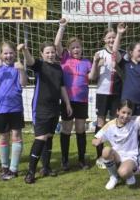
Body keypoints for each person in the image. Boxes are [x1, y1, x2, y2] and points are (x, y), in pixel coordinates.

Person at [19, 42, 73, 184]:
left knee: (49, 137)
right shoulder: (40, 65)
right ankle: (31, 172)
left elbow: (62, 87)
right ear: (42, 54)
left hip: (55, 107)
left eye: (52, 52)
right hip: (41, 108)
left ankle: (46, 167)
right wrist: (25, 50)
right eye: (47, 52)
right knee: (40, 138)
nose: (50, 54)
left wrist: (67, 103)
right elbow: (30, 61)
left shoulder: (58, 68)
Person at [92, 97, 140, 190]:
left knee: (123, 172)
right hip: (117, 156)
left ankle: (129, 174)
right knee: (106, 151)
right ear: (118, 111)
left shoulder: (134, 121)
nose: (126, 116)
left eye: (129, 113)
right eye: (123, 112)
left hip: (131, 157)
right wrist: (96, 141)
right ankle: (114, 177)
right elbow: (96, 138)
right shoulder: (110, 125)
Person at [54, 18, 100, 171]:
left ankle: (81, 159)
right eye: (73, 47)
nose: (76, 50)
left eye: (78, 47)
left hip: (82, 101)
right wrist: (62, 27)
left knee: (80, 129)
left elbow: (93, 76)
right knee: (66, 129)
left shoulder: (86, 62)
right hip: (68, 100)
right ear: (69, 50)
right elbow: (56, 44)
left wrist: (94, 62)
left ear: (81, 48)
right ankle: (65, 160)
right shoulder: (65, 58)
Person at [0, 42, 28, 180]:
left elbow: (24, 83)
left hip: (16, 108)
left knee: (16, 136)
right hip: (1, 108)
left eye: (11, 53)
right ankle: (5, 166)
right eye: (5, 53)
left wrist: (21, 70)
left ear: (15, 54)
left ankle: (14, 169)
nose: (8, 55)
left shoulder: (18, 66)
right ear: (1, 55)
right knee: (3, 137)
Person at [94, 28, 123, 169]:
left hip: (117, 93)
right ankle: (99, 155)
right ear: (104, 40)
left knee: (114, 123)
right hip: (102, 92)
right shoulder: (99, 54)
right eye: (109, 38)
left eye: (114, 37)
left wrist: (117, 67)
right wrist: (95, 64)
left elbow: (124, 75)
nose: (111, 40)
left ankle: (114, 153)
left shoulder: (120, 54)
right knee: (101, 122)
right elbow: (92, 77)